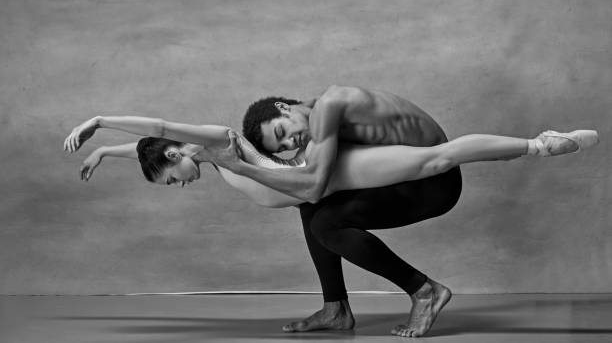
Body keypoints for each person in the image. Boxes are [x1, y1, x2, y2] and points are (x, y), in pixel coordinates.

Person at [64, 96, 598, 338]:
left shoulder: (215, 141)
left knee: (436, 158)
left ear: (178, 157)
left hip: (333, 174)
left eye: (169, 181)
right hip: (311, 187)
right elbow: (151, 146)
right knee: (314, 216)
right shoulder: (188, 156)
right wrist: (104, 150)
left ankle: (539, 144)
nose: (176, 189)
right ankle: (337, 310)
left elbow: (158, 124)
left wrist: (102, 118)